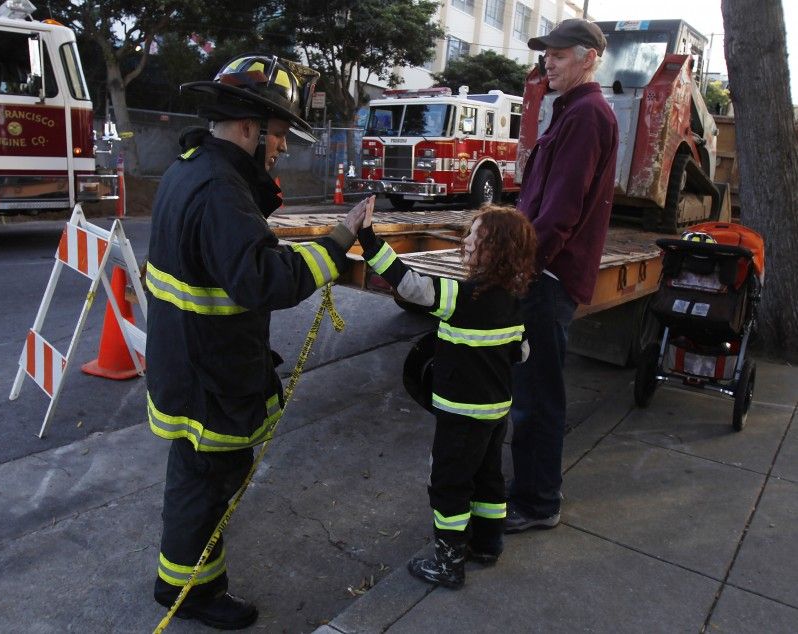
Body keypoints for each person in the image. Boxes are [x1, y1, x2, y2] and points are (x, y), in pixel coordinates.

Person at [145, 53, 374, 629]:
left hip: (186, 364)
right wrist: (338, 240)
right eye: (278, 135)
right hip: (212, 377)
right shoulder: (220, 189)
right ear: (248, 127)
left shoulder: (189, 168)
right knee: (209, 485)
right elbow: (261, 280)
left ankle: (177, 581)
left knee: (193, 478)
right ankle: (195, 593)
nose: (283, 148)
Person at [357, 204, 536, 588]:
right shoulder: (514, 298)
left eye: (475, 236)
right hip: (495, 412)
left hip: (461, 415)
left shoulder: (460, 296)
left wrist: (369, 240)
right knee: (489, 478)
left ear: (494, 249)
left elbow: (408, 284)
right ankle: (488, 544)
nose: (466, 241)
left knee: (449, 484)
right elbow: (521, 352)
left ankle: (449, 563)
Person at [506, 19, 619, 533]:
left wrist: (524, 267)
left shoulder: (587, 115)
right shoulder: (570, 112)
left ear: (589, 57)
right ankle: (531, 490)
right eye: (545, 54)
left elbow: (561, 212)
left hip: (547, 278)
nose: (547, 62)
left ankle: (537, 502)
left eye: (559, 54)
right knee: (532, 390)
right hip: (544, 272)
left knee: (538, 394)